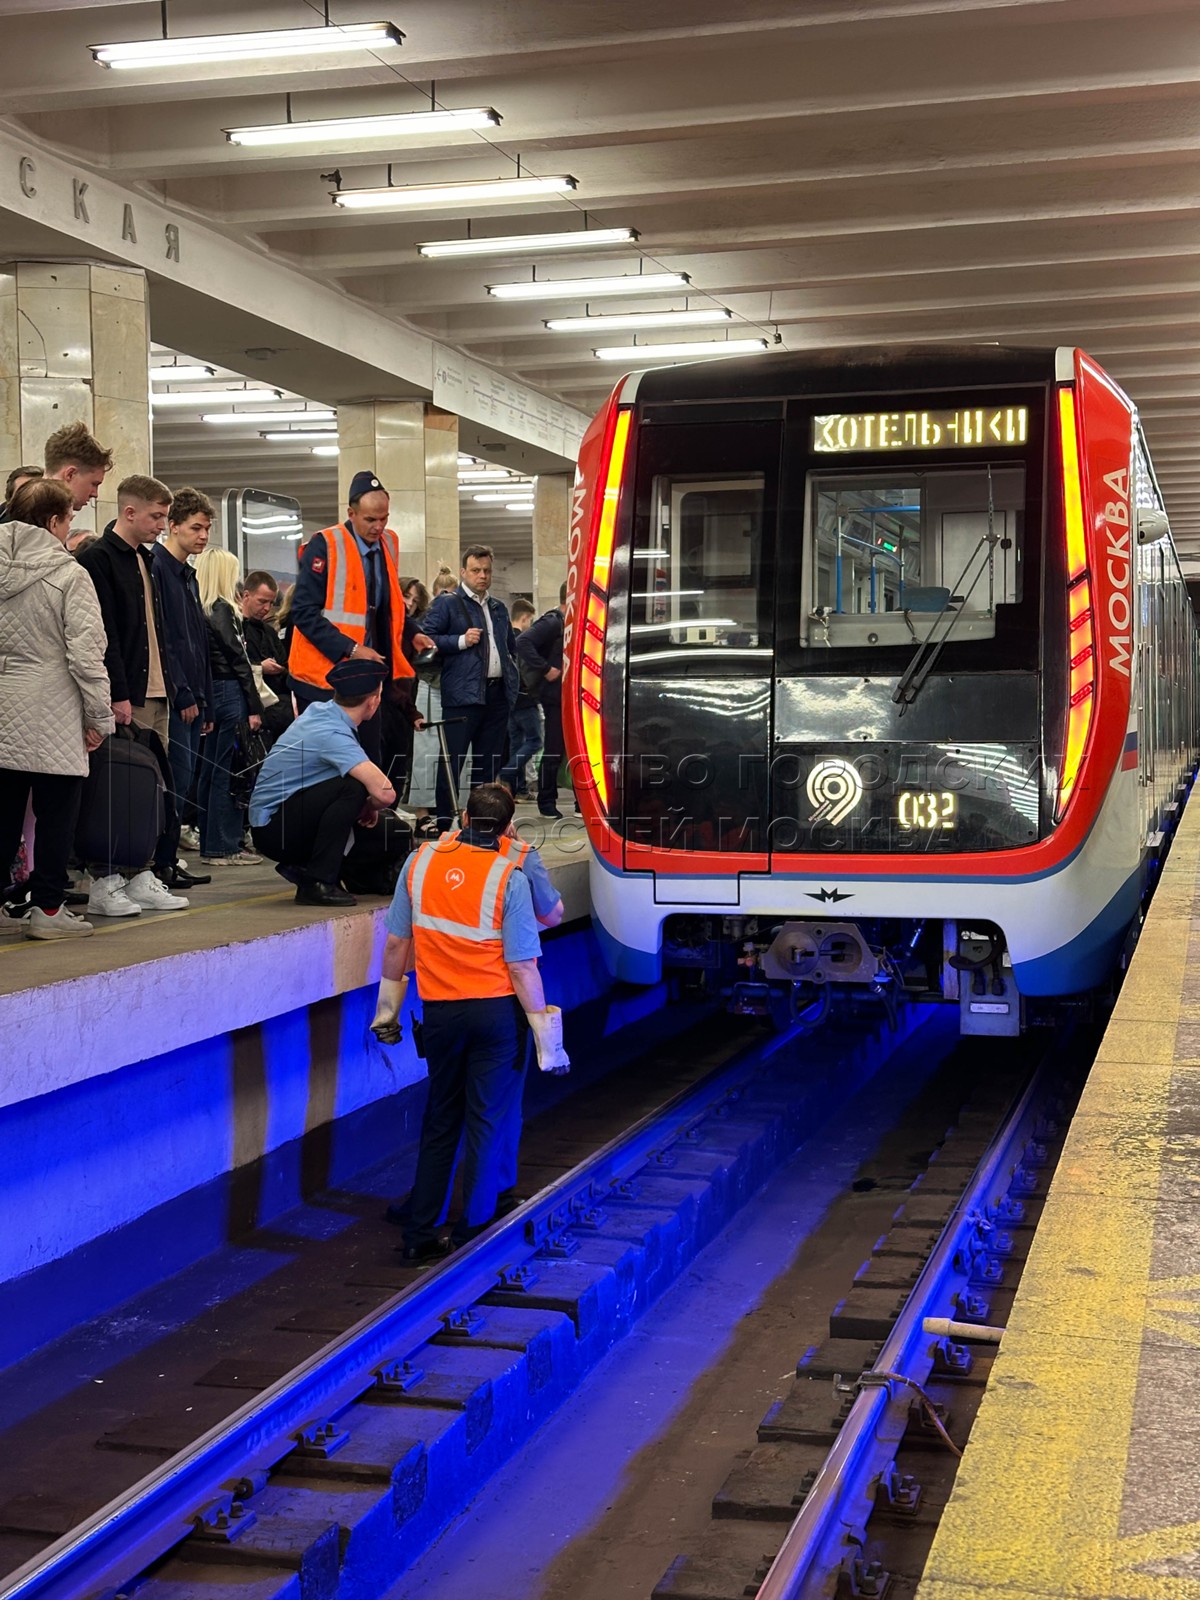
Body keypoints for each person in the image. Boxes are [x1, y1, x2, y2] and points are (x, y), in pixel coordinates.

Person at [371, 783, 569, 1262]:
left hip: (439, 1012)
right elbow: (522, 967)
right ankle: (472, 1229)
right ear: (506, 828)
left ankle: (419, 1234)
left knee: (440, 1117)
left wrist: (387, 1010)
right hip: (496, 1016)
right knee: (487, 1119)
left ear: (462, 817)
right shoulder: (509, 877)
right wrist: (548, 1040)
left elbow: (396, 943)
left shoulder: (419, 862)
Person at [0, 478, 114, 939]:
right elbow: (86, 655)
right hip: (54, 707)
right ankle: (48, 910)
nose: (70, 528)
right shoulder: (70, 575)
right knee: (56, 816)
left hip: (4, 703)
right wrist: (99, 717)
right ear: (52, 522)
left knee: (3, 815)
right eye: (69, 519)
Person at [77, 474, 190, 917]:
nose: (162, 525)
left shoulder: (148, 559)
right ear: (129, 512)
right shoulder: (98, 559)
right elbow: (103, 634)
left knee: (154, 789)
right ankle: (106, 879)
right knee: (119, 789)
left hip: (157, 691)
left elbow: (158, 631)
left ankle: (142, 872)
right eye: (156, 516)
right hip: (127, 694)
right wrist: (117, 693)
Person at [288, 470, 428, 772]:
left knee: (368, 765)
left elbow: (387, 604)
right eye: (370, 519)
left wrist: (412, 632)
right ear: (351, 514)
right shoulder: (325, 545)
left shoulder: (388, 543)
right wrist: (351, 649)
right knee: (328, 769)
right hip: (323, 679)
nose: (379, 527)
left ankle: (367, 805)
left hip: (366, 680)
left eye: (384, 518)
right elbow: (303, 612)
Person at [249, 657, 399, 907]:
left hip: (285, 818)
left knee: (390, 832)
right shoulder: (330, 732)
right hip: (274, 830)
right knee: (353, 788)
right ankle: (317, 882)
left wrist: (365, 806)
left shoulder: (323, 712)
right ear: (373, 701)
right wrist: (367, 805)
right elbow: (385, 793)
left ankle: (346, 875)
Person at [420, 546, 520, 834]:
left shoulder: (498, 608)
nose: (482, 575)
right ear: (463, 572)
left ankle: (483, 825)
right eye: (476, 570)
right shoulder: (448, 604)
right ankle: (444, 823)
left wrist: (512, 678)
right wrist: (461, 641)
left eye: (487, 570)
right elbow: (426, 639)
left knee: (487, 766)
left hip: (497, 696)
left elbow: (510, 647)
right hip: (462, 696)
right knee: (451, 763)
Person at [152, 486, 215, 891]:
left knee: (185, 780)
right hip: (176, 698)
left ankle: (169, 858)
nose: (203, 536)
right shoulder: (158, 569)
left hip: (194, 695)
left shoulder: (188, 576)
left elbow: (198, 644)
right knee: (173, 781)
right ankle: (160, 861)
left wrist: (205, 699)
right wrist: (185, 693)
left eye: (207, 528)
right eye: (195, 527)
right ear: (172, 526)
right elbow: (166, 640)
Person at [196, 547, 263, 866]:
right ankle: (225, 846)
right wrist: (254, 704)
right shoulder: (222, 609)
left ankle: (212, 844)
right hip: (231, 692)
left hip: (213, 691)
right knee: (230, 771)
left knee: (212, 771)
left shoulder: (199, 608)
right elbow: (239, 660)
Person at [516, 582, 568, 818]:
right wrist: (546, 669)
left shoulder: (566, 623)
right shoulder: (553, 622)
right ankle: (546, 801)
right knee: (554, 748)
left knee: (565, 749)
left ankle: (575, 802)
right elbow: (522, 642)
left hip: (564, 695)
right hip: (554, 696)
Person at [240, 569, 294, 738]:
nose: (267, 608)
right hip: (252, 703)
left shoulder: (269, 632)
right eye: (262, 601)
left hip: (277, 700)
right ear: (246, 596)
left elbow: (284, 662)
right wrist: (259, 668)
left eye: (271, 603)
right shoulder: (236, 629)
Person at [500, 599, 542, 801]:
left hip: (510, 701)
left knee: (516, 745)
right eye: (530, 620)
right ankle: (507, 772)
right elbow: (527, 672)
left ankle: (519, 789)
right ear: (524, 618)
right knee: (535, 741)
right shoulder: (524, 641)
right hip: (526, 699)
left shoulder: (504, 639)